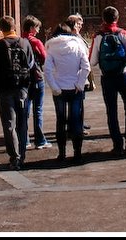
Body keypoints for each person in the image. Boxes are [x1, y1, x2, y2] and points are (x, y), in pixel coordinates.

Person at [0, 16, 35, 170]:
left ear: (1, 29)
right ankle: (22, 155)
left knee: (9, 124)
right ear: (15, 27)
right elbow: (32, 65)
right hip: (22, 90)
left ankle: (15, 157)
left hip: (4, 90)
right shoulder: (25, 44)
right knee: (22, 122)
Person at [89, 5, 126, 157]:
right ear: (117, 18)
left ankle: (117, 145)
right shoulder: (123, 33)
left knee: (111, 111)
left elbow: (92, 61)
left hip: (107, 77)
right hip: (124, 75)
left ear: (103, 19)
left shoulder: (98, 36)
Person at [44, 21, 90, 163]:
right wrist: (80, 83)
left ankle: (62, 153)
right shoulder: (77, 45)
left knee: (61, 121)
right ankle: (77, 153)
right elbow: (86, 67)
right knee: (76, 121)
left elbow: (47, 70)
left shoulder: (51, 48)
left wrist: (54, 87)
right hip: (75, 88)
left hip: (60, 89)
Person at [21, 15, 52, 150]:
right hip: (37, 78)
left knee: (24, 111)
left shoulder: (20, 41)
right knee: (37, 111)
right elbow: (45, 59)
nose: (38, 30)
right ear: (32, 28)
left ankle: (25, 139)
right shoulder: (35, 42)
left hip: (23, 80)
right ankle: (39, 140)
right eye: (37, 27)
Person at [67, 14, 92, 135]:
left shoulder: (77, 36)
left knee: (80, 101)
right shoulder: (72, 38)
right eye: (78, 24)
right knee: (76, 102)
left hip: (80, 72)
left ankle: (79, 123)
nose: (80, 27)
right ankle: (76, 127)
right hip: (76, 74)